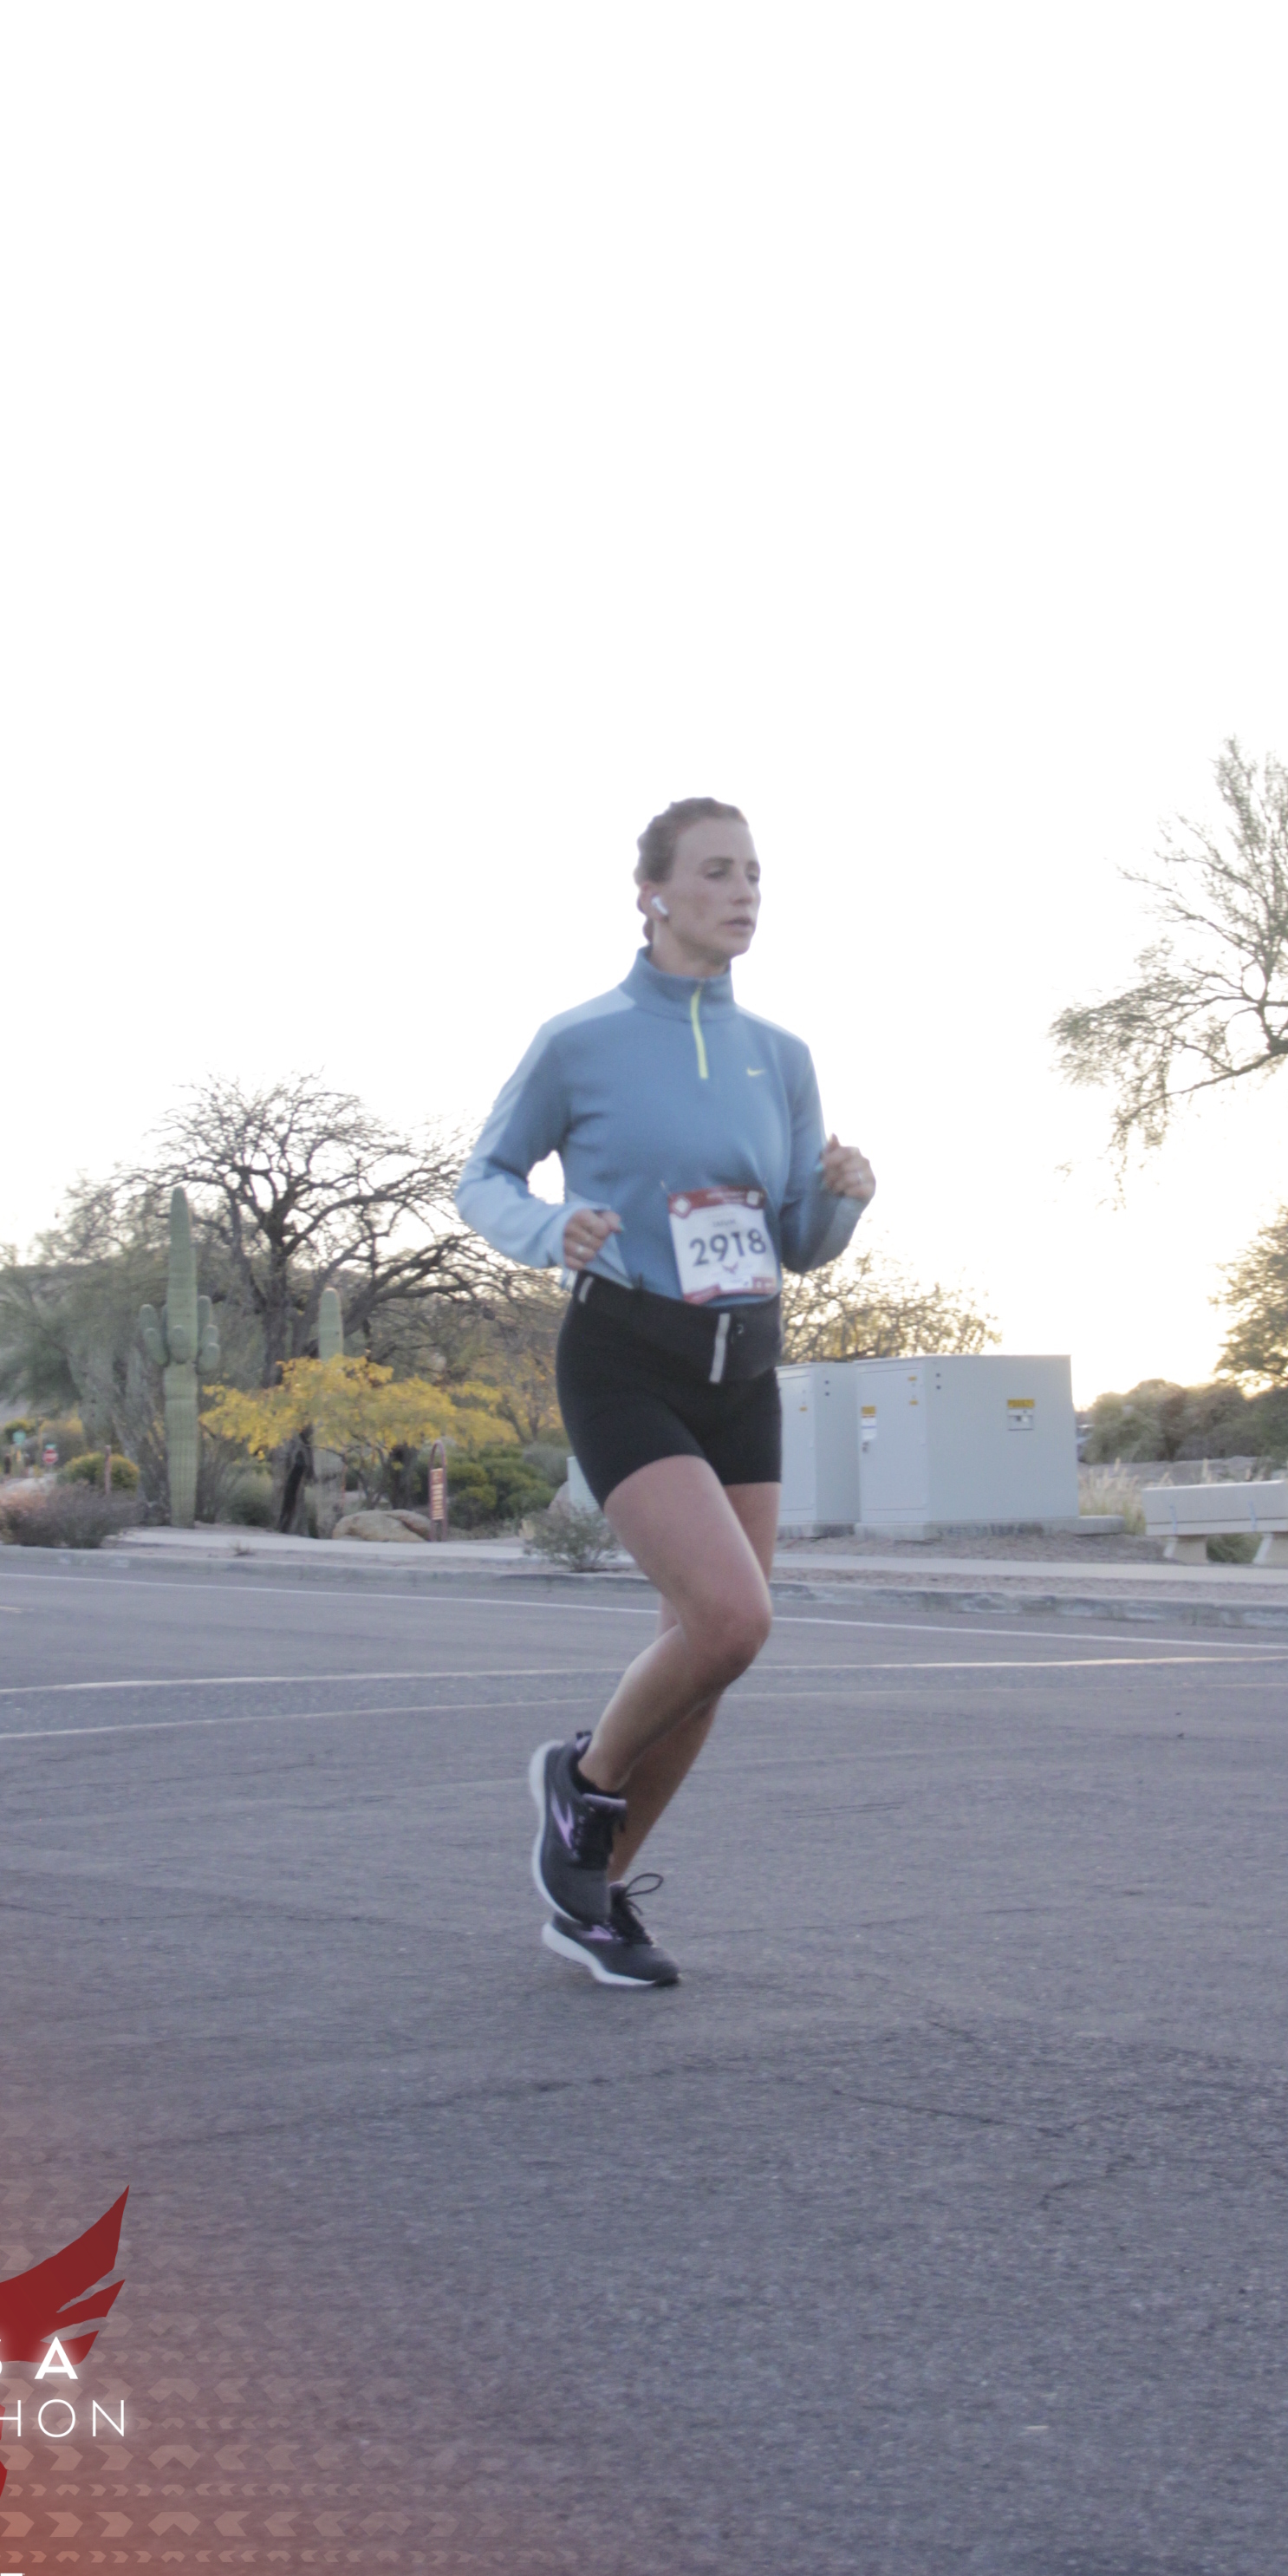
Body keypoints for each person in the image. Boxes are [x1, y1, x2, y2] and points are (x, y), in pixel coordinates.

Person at [457, 797, 875, 1987]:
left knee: (707, 1652)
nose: (744, 894)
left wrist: (842, 1197)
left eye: (755, 874)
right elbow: (483, 1176)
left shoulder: (781, 1056)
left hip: (744, 1367)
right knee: (734, 1620)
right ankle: (579, 1781)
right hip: (626, 1355)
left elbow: (798, 1243)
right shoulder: (580, 1042)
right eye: (717, 872)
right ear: (652, 894)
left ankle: (593, 1898)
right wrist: (550, 1229)